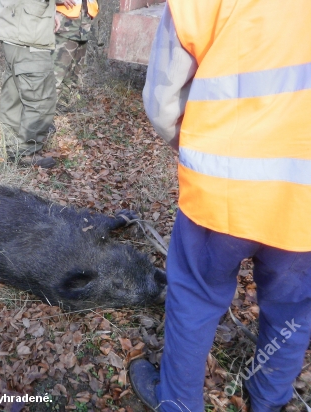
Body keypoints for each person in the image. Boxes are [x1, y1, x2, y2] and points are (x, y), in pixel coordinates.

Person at [128, 1, 311, 411]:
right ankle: (269, 401)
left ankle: (177, 403)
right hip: (305, 197)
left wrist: (189, 144)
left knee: (195, 295)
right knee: (292, 308)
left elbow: (162, 103)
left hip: (222, 185)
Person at [0, 0, 57, 169]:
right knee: (40, 97)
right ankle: (26, 153)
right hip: (26, 27)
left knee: (14, 92)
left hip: (15, 24)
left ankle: (13, 147)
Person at [53, 0, 98, 113]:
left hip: (84, 25)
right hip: (63, 24)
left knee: (73, 75)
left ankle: (61, 108)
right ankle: (46, 115)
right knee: (55, 75)